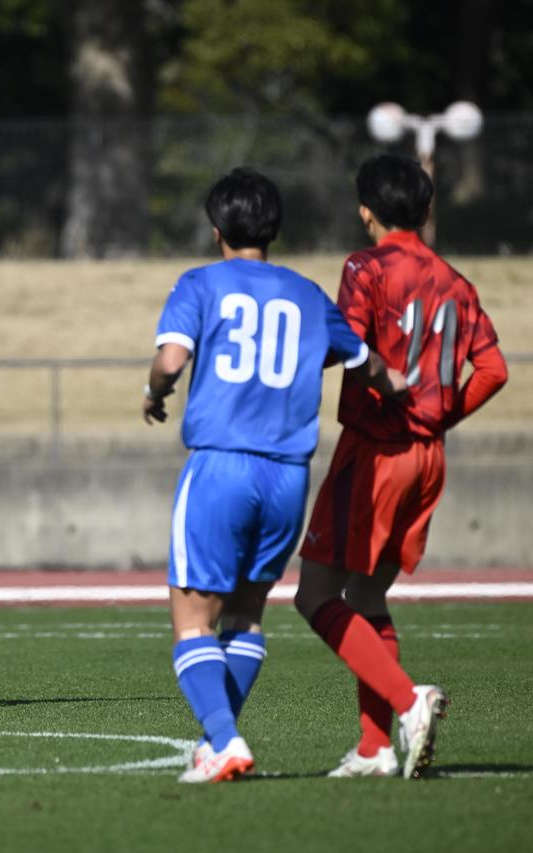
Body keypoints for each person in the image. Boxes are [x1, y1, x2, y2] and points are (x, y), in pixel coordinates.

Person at [143, 168, 403, 783]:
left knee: (191, 619)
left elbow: (171, 360)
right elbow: (372, 370)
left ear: (216, 230)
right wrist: (408, 392)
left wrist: (154, 391)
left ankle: (227, 739)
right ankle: (219, 742)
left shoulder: (201, 283)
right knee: (247, 614)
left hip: (220, 467)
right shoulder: (309, 294)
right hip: (289, 476)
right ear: (275, 229)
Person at [294, 154, 507, 780]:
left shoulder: (365, 266)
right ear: (428, 209)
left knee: (314, 595)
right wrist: (436, 417)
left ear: (366, 209)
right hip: (427, 458)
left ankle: (408, 701)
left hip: (376, 450)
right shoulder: (456, 282)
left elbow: (352, 346)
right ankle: (374, 748)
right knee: (366, 595)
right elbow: (494, 371)